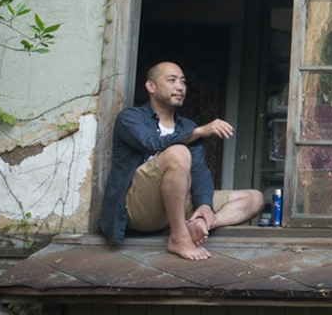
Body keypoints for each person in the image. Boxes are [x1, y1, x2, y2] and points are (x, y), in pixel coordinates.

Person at [98, 61, 265, 260]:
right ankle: (178, 237)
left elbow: (199, 170)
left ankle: (201, 224)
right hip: (139, 207)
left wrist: (204, 205)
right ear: (150, 86)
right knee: (178, 152)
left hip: (176, 203)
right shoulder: (130, 117)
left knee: (254, 198)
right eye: (172, 80)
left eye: (183, 82)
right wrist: (200, 131)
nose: (180, 87)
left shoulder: (186, 125)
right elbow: (152, 144)